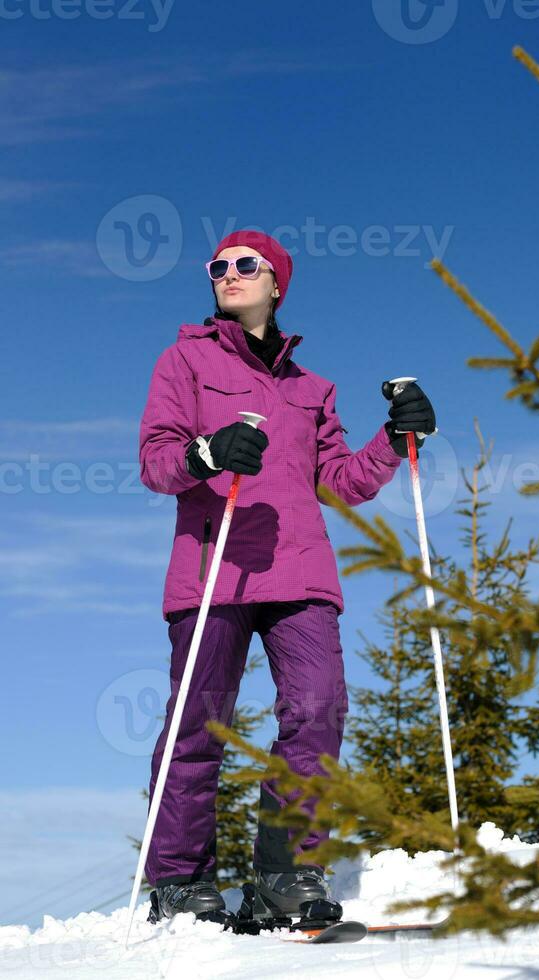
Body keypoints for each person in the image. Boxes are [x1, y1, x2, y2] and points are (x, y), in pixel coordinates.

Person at [138, 229, 436, 924]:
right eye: (219, 267)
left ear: (277, 284)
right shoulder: (184, 361)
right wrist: (207, 451)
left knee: (318, 709)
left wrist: (394, 441)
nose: (228, 274)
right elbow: (156, 461)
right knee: (198, 726)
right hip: (213, 568)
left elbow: (340, 480)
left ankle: (284, 872)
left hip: (300, 574)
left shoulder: (312, 388)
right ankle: (181, 881)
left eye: (246, 265)